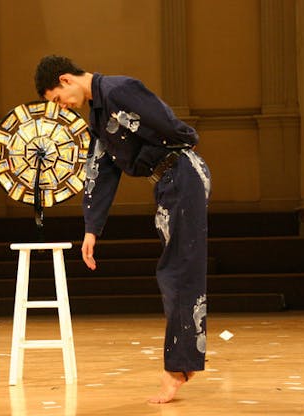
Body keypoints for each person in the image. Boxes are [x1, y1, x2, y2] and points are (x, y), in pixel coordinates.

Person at [34, 55, 211, 404]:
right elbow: (102, 173)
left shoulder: (118, 88)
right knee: (175, 270)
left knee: (178, 270)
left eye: (57, 98)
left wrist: (183, 138)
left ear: (66, 79)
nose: (62, 107)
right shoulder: (98, 117)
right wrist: (91, 229)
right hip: (167, 182)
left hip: (183, 173)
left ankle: (178, 367)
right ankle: (183, 361)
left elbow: (166, 123)